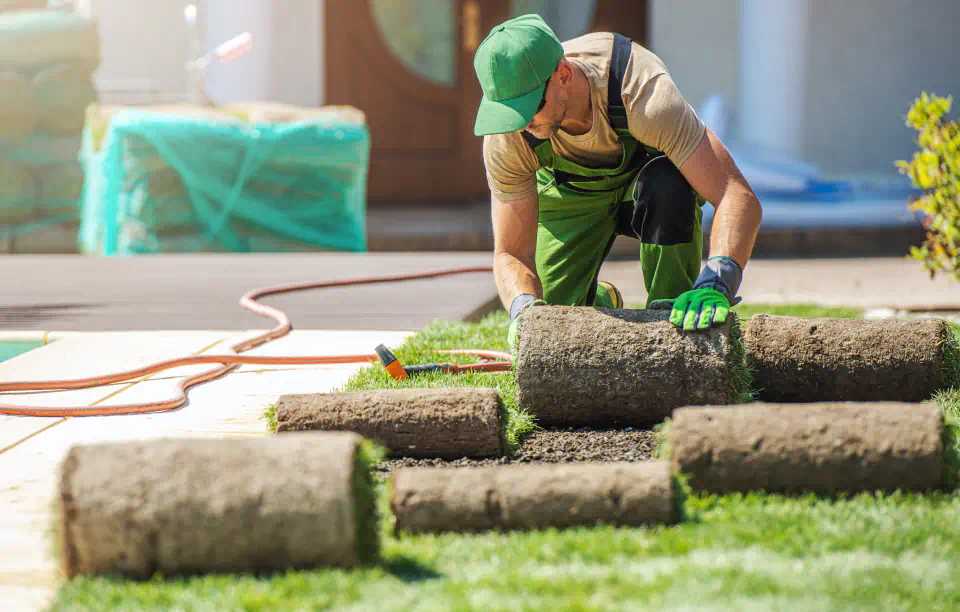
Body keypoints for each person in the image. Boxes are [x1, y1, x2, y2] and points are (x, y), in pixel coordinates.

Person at [473, 14, 762, 350]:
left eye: (529, 109)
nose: (521, 125)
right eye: (509, 113)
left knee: (669, 184)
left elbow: (735, 194)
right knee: (551, 324)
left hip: (646, 190)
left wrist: (719, 278)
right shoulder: (508, 136)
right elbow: (511, 252)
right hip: (570, 197)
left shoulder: (641, 92)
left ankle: (671, 322)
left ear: (563, 75)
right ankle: (600, 297)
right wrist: (523, 308)